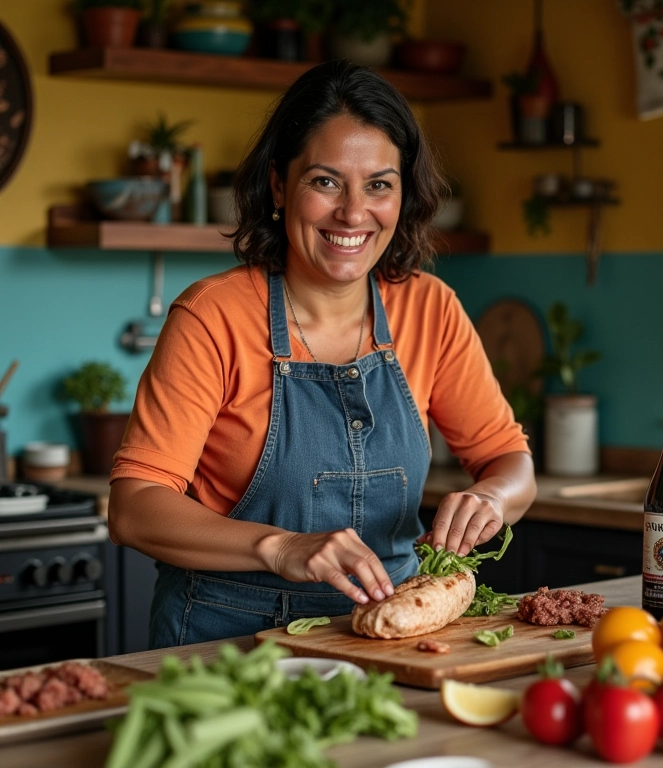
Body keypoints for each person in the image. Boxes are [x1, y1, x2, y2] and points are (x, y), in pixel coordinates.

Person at [108, 59, 537, 649]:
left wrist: (491, 497)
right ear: (280, 186)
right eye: (325, 181)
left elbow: (510, 461)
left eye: (379, 184)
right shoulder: (212, 316)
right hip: (227, 639)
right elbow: (135, 507)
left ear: (403, 195)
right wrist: (282, 547)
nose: (354, 213)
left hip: (391, 634)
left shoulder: (430, 308)